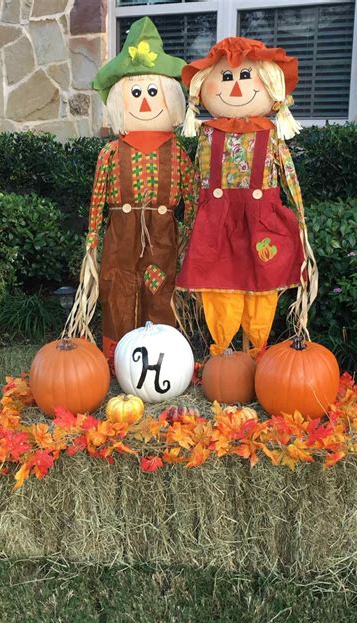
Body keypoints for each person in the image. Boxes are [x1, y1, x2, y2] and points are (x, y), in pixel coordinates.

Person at [65, 17, 195, 366]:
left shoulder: (178, 153)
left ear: (169, 98)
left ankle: (162, 357)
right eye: (135, 93)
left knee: (160, 289)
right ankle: (118, 357)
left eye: (153, 92)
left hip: (163, 235)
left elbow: (193, 198)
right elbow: (96, 200)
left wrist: (191, 237)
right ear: (121, 102)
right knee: (118, 288)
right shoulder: (110, 153)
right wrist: (92, 240)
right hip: (121, 235)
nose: (144, 101)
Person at [176, 37, 317, 358]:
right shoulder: (206, 135)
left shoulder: (271, 135)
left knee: (261, 286)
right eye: (226, 77)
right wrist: (188, 223)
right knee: (216, 285)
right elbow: (195, 182)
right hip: (217, 223)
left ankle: (257, 347)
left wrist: (301, 225)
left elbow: (290, 181)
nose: (236, 88)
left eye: (245, 77)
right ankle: (223, 349)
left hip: (260, 222)